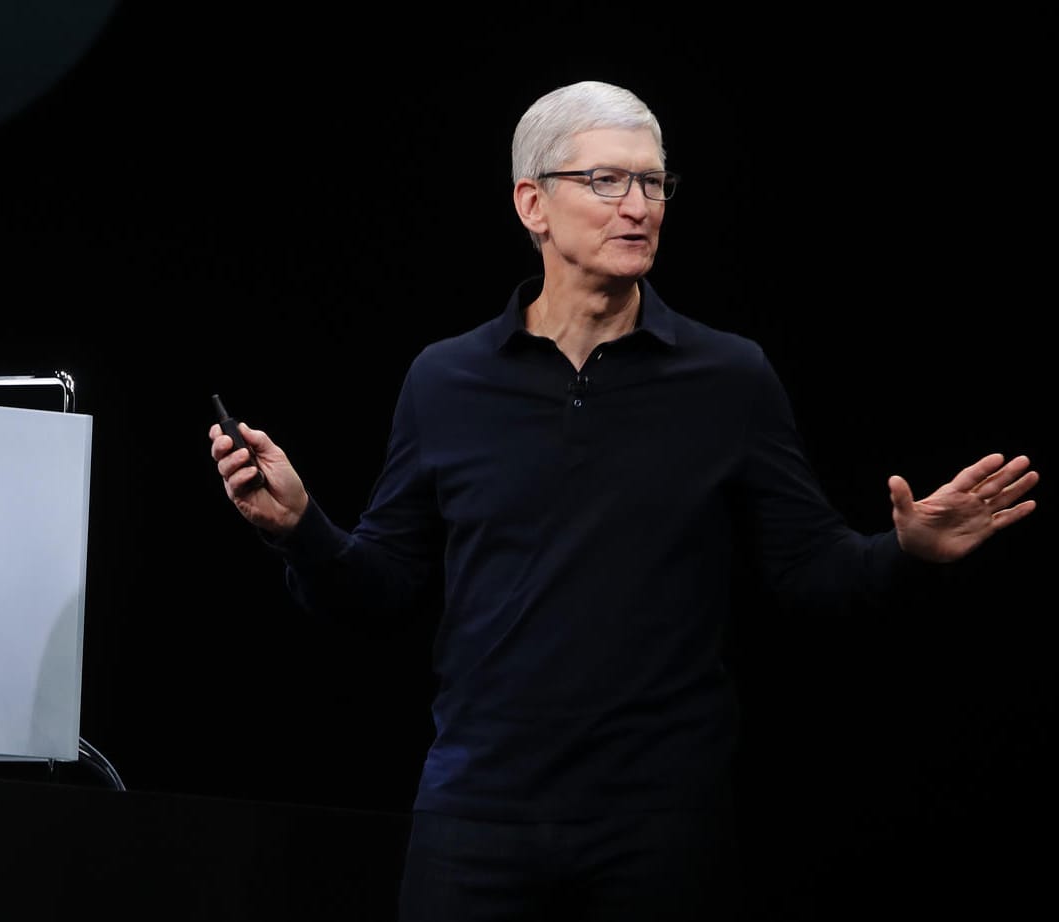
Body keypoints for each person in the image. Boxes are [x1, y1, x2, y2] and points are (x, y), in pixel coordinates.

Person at [206, 79, 1038, 921]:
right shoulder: (446, 379)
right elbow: (383, 585)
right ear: (533, 203)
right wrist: (302, 530)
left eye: (653, 182)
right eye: (606, 181)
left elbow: (809, 572)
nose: (638, 206)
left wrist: (905, 551)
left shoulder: (728, 377)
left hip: (661, 822)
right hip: (478, 814)